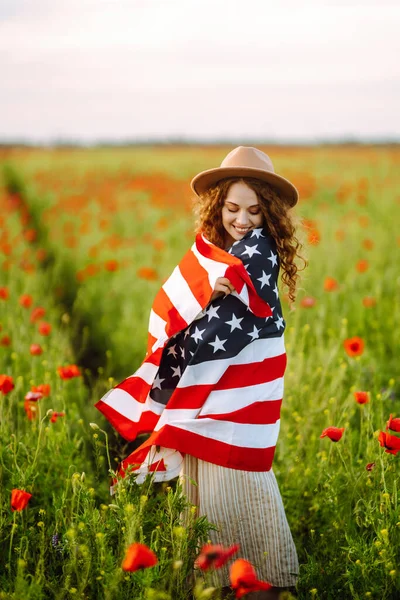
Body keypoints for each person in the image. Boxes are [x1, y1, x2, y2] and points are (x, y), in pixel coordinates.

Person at [95, 146, 307, 600]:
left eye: (254, 210)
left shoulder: (255, 255)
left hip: (228, 419)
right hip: (212, 414)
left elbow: (208, 340)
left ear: (268, 213)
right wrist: (203, 296)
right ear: (218, 207)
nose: (243, 220)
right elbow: (187, 315)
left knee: (246, 529)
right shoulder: (218, 257)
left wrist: (203, 305)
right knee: (222, 527)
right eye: (232, 208)